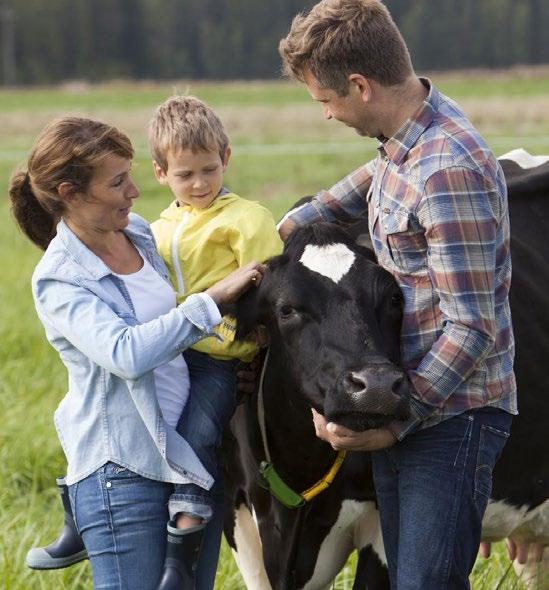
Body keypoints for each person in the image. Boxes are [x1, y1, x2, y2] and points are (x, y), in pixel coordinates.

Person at [278, 1, 516, 588]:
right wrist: (285, 231)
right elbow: (347, 195)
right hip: (406, 403)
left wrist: (397, 423)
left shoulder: (445, 169)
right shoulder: (403, 141)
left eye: (326, 101)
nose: (327, 115)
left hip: (450, 417)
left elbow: (472, 327)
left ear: (360, 85)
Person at [10, 116, 264, 590]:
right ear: (70, 192)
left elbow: (173, 339)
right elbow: (126, 353)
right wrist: (214, 301)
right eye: (118, 181)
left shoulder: (141, 234)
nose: (134, 190)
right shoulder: (59, 278)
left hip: (189, 457)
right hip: (125, 472)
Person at [148, 95, 283, 587]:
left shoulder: (246, 219)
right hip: (171, 352)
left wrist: (234, 337)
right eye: (185, 175)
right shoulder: (159, 228)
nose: (200, 184)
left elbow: (267, 291)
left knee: (199, 429)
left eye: (209, 169)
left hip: (219, 357)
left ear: (226, 157)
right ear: (161, 173)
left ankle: (188, 512)